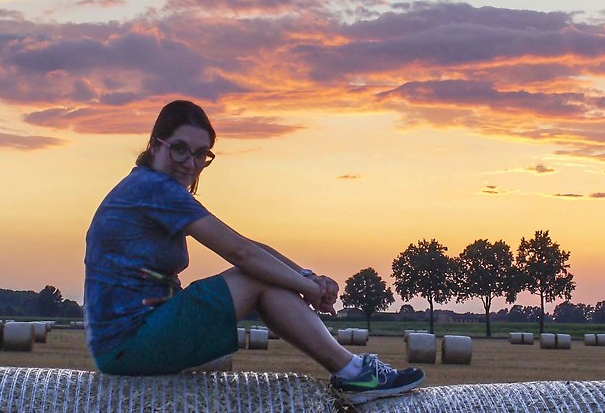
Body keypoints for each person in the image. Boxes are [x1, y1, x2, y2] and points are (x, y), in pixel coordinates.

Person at [84, 99, 425, 397]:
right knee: (255, 276)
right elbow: (240, 254)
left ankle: (352, 370)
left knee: (259, 273)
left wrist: (307, 276)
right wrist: (307, 287)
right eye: (180, 149)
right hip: (129, 342)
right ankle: (352, 372)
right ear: (156, 144)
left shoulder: (150, 187)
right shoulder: (153, 188)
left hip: (137, 334)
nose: (190, 162)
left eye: (201, 154)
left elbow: (250, 247)